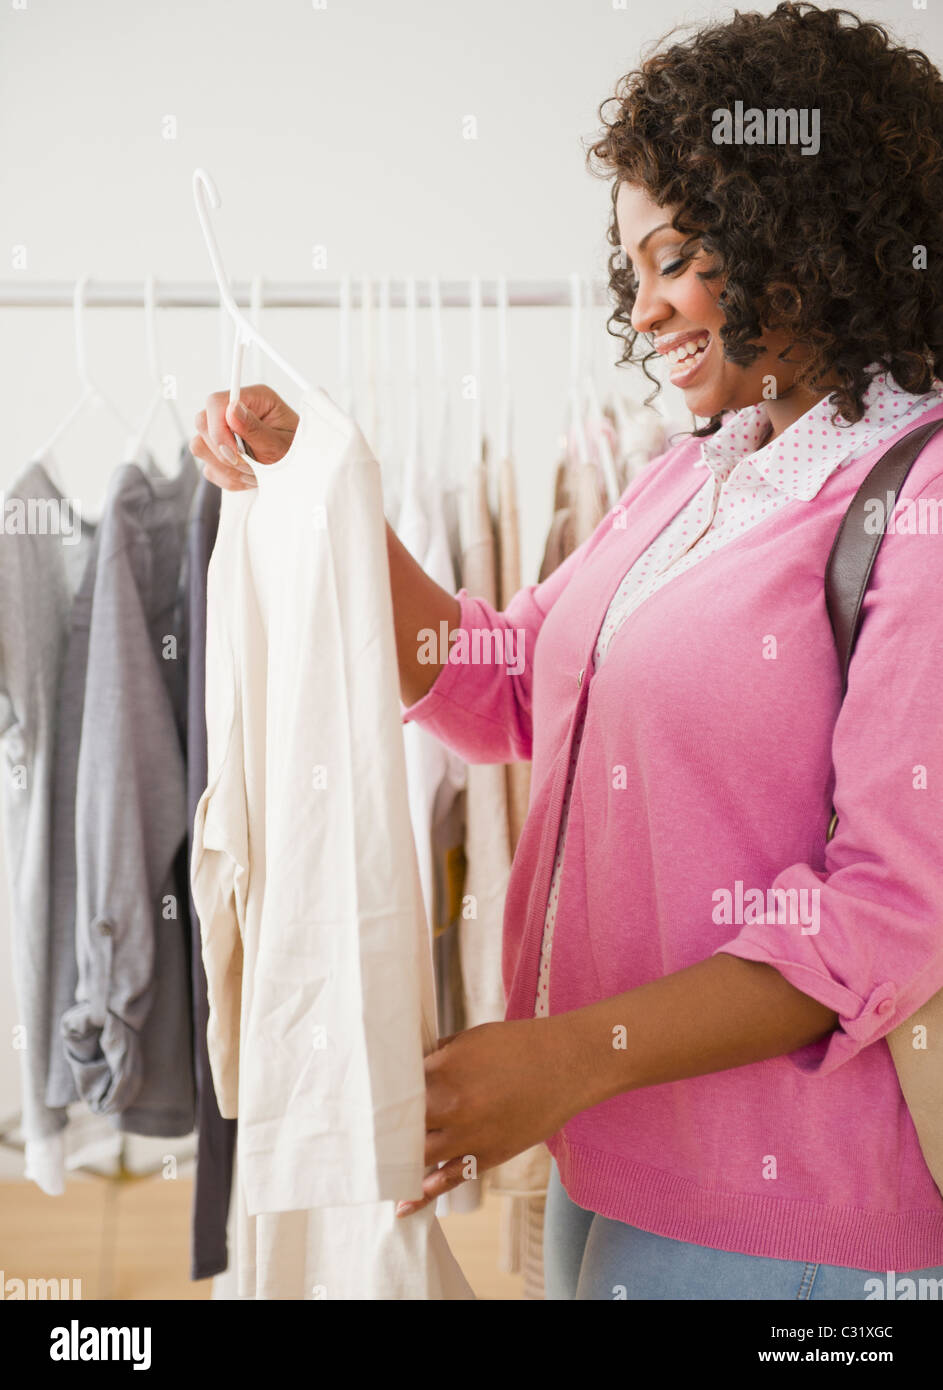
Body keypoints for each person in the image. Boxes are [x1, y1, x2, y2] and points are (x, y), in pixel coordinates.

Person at [192, 2, 943, 1300]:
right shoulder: (690, 476)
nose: (643, 308)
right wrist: (320, 496)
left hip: (789, 1218)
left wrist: (569, 1054)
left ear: (799, 233)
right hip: (607, 1165)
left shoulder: (914, 500)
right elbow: (501, 682)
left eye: (674, 256)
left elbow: (887, 914)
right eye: (630, 267)